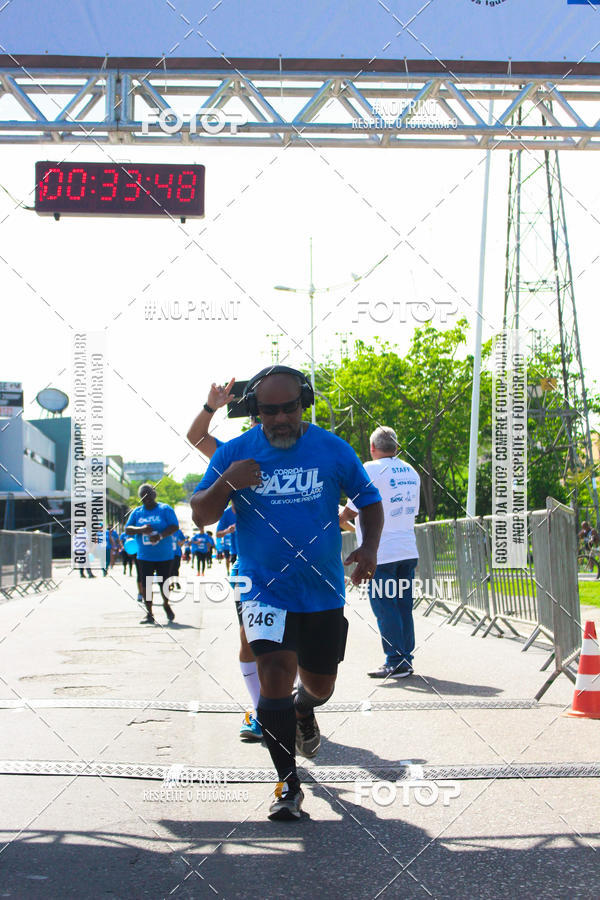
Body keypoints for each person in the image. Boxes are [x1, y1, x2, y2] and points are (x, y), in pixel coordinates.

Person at [191, 365, 383, 821]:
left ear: (304, 404)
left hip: (321, 591)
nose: (280, 419)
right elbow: (200, 514)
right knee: (274, 672)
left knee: (320, 685)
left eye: (289, 408)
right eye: (269, 410)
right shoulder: (236, 453)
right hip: (262, 589)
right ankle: (287, 785)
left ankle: (304, 710)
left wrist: (370, 546)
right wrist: (227, 482)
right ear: (255, 411)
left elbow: (370, 501)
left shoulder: (332, 449)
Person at [187, 378, 264, 743]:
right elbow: (197, 439)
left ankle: (289, 706)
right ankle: (262, 711)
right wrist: (211, 407)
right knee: (250, 641)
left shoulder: (304, 449)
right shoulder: (235, 453)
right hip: (250, 566)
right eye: (257, 415)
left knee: (295, 647)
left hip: (298, 566)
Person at [340, 426, 420, 679]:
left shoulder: (370, 469)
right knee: (403, 606)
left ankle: (396, 661)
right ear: (396, 447)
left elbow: (352, 510)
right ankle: (405, 658)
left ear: (372, 448)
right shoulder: (411, 471)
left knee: (385, 607)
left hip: (382, 552)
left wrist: (338, 517)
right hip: (407, 548)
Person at [125, 484, 179, 624]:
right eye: (143, 496)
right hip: (145, 555)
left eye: (149, 494)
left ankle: (166, 604)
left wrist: (160, 536)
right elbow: (128, 529)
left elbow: (174, 526)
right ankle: (149, 613)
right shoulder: (137, 512)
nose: (146, 498)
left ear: (154, 495)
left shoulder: (164, 509)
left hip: (164, 555)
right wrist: (141, 529)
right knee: (146, 584)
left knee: (164, 583)